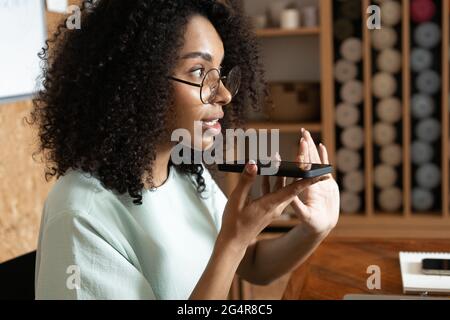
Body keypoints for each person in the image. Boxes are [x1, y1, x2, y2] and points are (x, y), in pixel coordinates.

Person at [30, 0, 340, 299]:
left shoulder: (186, 173)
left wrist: (313, 229)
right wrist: (232, 243)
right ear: (136, 80)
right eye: (198, 71)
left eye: (220, 72)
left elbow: (254, 264)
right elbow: (233, 252)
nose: (224, 94)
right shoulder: (82, 214)